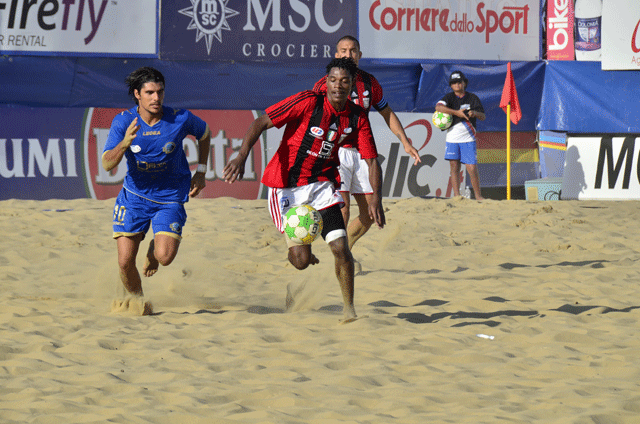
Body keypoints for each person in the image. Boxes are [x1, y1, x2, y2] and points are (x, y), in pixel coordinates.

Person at [223, 57, 385, 323]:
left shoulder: (356, 117)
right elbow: (261, 122)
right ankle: (302, 263)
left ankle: (349, 310)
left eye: (344, 81)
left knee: (341, 248)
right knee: (300, 260)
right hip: (285, 187)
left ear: (352, 84)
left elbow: (371, 159)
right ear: (326, 82)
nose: (338, 86)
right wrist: (241, 156)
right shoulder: (308, 101)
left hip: (321, 186)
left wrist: (375, 197)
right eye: (333, 80)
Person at [102, 66, 211, 315]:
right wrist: (124, 143)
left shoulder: (179, 118)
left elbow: (205, 134)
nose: (156, 98)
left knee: (164, 257)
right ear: (136, 94)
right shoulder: (123, 122)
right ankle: (138, 300)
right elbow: (107, 163)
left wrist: (201, 171)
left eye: (160, 92)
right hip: (134, 197)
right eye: (150, 92)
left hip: (170, 197)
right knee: (125, 262)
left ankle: (153, 250)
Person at [312, 35, 421, 250]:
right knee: (343, 210)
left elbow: (386, 112)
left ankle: (345, 251)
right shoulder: (324, 85)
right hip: (335, 151)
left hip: (363, 152)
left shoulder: (369, 82)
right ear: (336, 55)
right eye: (343, 51)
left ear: (359, 56)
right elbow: (312, 119)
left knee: (370, 212)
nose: (348, 55)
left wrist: (405, 142)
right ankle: (338, 261)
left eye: (353, 51)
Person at [435, 70, 486, 200]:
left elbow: (483, 116)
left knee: (471, 167)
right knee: (454, 166)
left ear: (464, 83)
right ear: (451, 85)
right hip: (452, 138)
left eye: (459, 82)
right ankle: (457, 196)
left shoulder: (472, 98)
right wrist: (456, 113)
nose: (457, 85)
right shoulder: (449, 97)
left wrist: (474, 113)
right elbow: (438, 107)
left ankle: (478, 197)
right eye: (454, 83)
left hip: (468, 137)